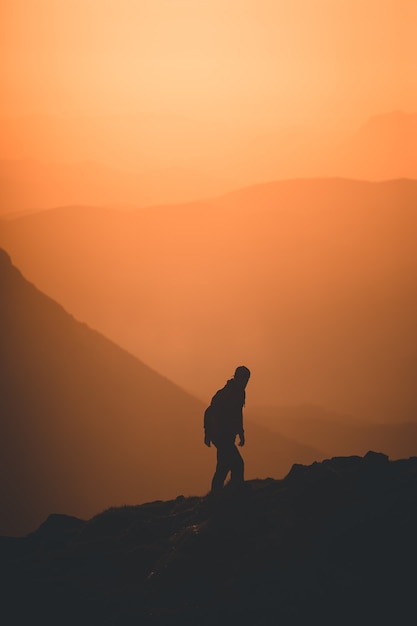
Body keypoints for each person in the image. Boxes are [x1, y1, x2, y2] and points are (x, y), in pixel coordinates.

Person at [204, 366, 251, 491]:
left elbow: (238, 414)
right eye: (243, 379)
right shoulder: (224, 395)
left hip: (228, 436)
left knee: (223, 466)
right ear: (236, 377)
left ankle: (218, 496)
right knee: (237, 465)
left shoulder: (240, 393)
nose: (245, 383)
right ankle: (235, 493)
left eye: (247, 380)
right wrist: (208, 434)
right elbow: (209, 413)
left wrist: (241, 433)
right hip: (221, 436)